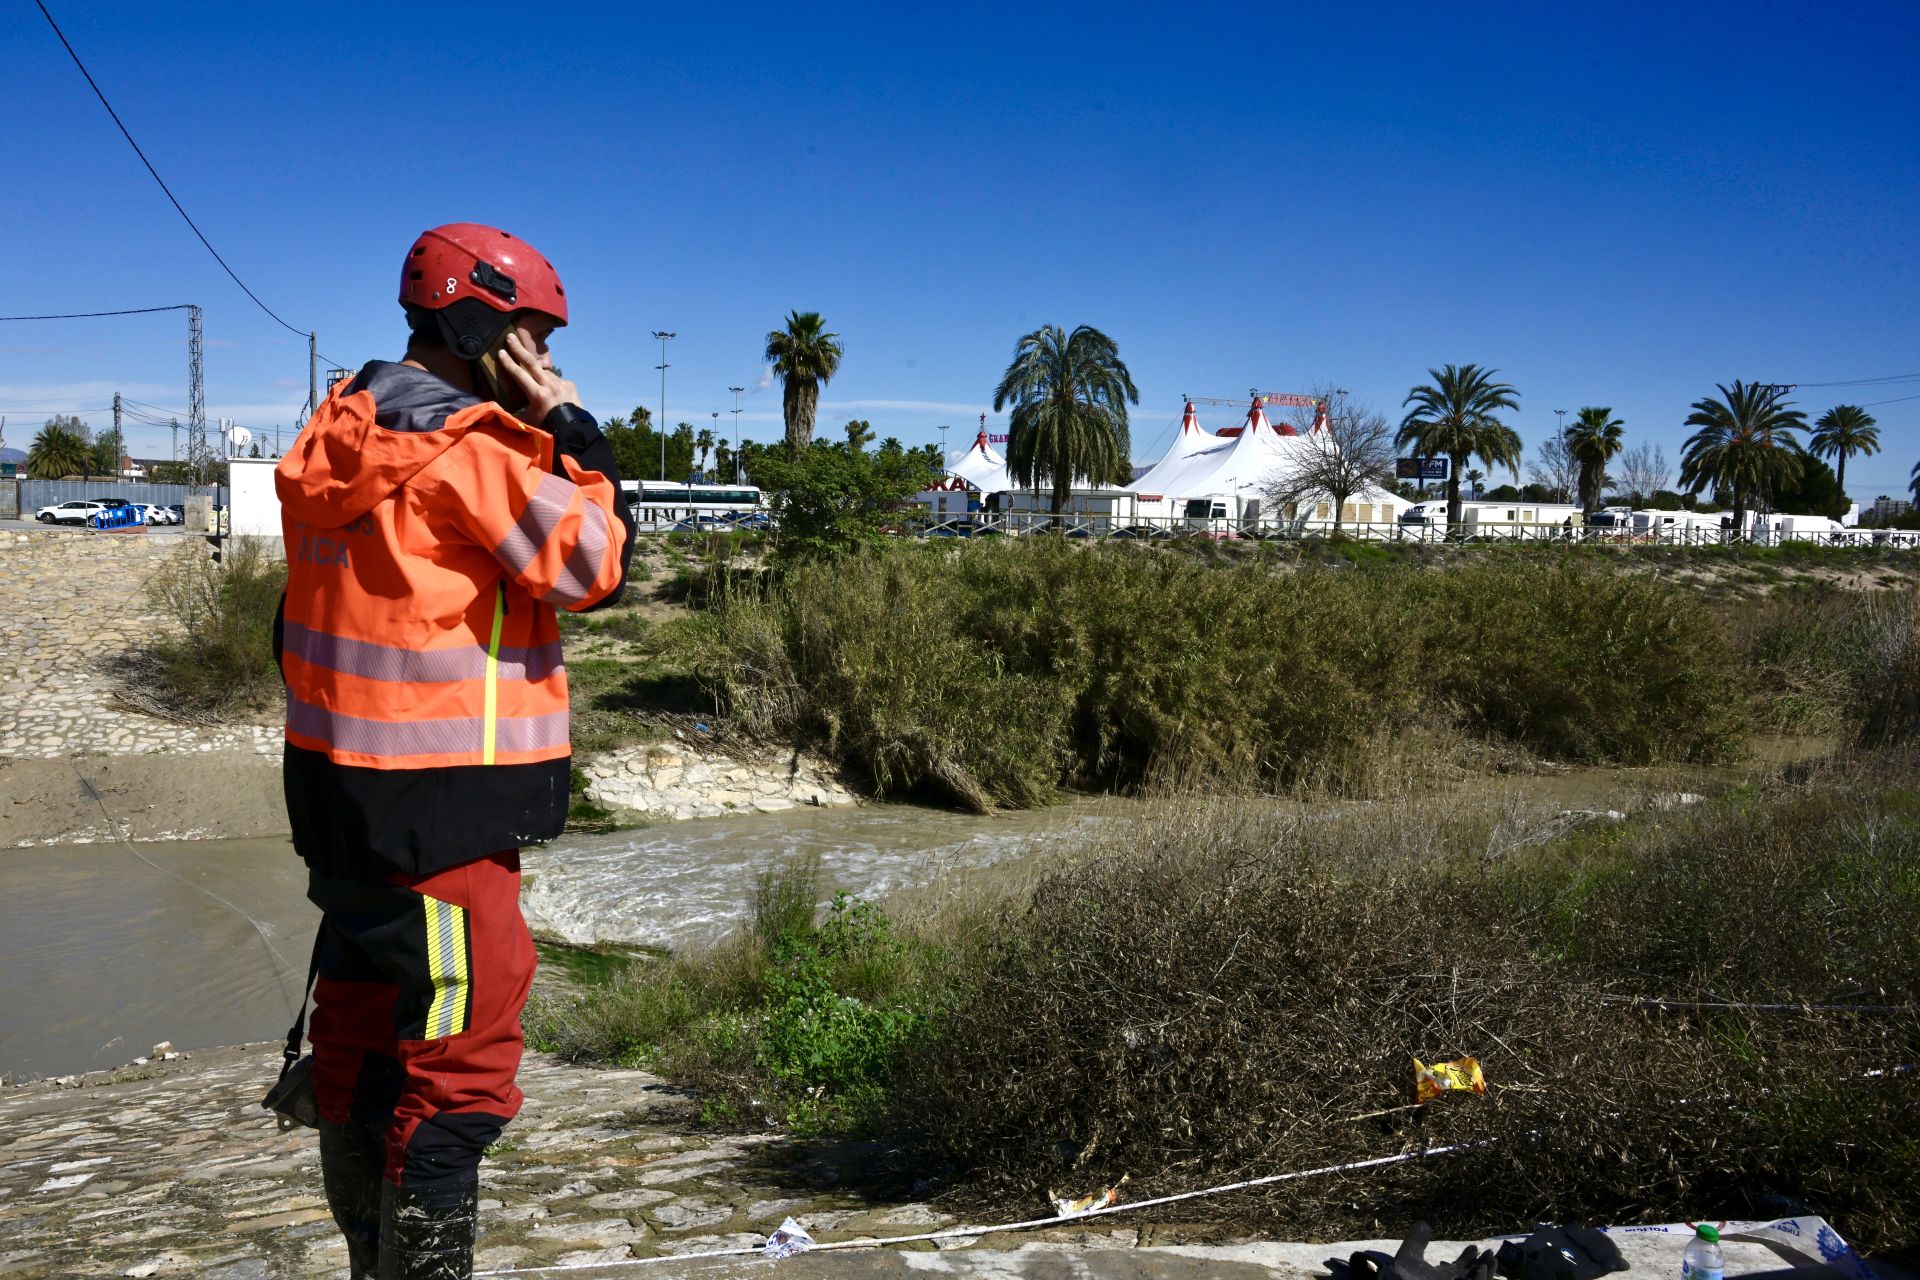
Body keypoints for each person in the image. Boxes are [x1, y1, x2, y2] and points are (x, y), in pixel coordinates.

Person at [273, 223, 635, 1279]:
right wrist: (572, 424)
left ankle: (367, 1261)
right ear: (475, 318)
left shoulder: (332, 435)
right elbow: (595, 561)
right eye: (528, 335)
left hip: (339, 806)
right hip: (444, 816)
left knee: (360, 1039)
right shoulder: (468, 450)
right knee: (460, 1065)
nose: (539, 358)